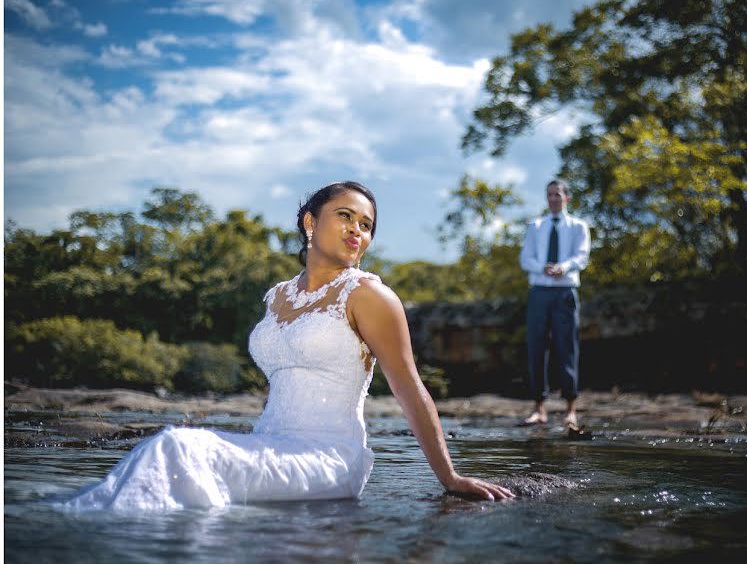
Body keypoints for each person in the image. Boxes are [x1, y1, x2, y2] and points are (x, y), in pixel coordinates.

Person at [62, 181, 513, 509]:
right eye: (345, 216)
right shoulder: (278, 295)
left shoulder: (370, 296)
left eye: (367, 224)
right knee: (167, 447)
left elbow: (409, 386)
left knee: (179, 448)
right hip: (268, 443)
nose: (358, 229)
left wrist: (449, 477)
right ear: (310, 222)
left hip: (328, 458)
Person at [519, 179, 590, 429]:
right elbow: (525, 258)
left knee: (567, 348)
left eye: (557, 195)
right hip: (540, 292)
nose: (553, 199)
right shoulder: (535, 226)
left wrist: (563, 267)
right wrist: (543, 268)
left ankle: (571, 408)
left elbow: (582, 256)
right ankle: (539, 407)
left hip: (565, 292)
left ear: (566, 197)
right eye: (549, 195)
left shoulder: (579, 226)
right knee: (537, 348)